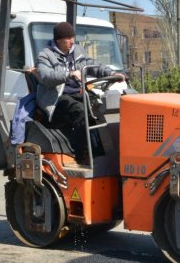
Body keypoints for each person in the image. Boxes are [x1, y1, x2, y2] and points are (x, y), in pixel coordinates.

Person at [35, 22, 122, 162]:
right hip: (57, 99)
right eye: (68, 38)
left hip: (78, 94)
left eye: (73, 37)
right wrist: (69, 74)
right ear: (58, 39)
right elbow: (46, 76)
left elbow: (93, 65)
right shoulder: (45, 55)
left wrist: (111, 73)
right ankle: (83, 156)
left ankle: (103, 154)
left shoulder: (77, 51)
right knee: (81, 112)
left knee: (98, 109)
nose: (72, 41)